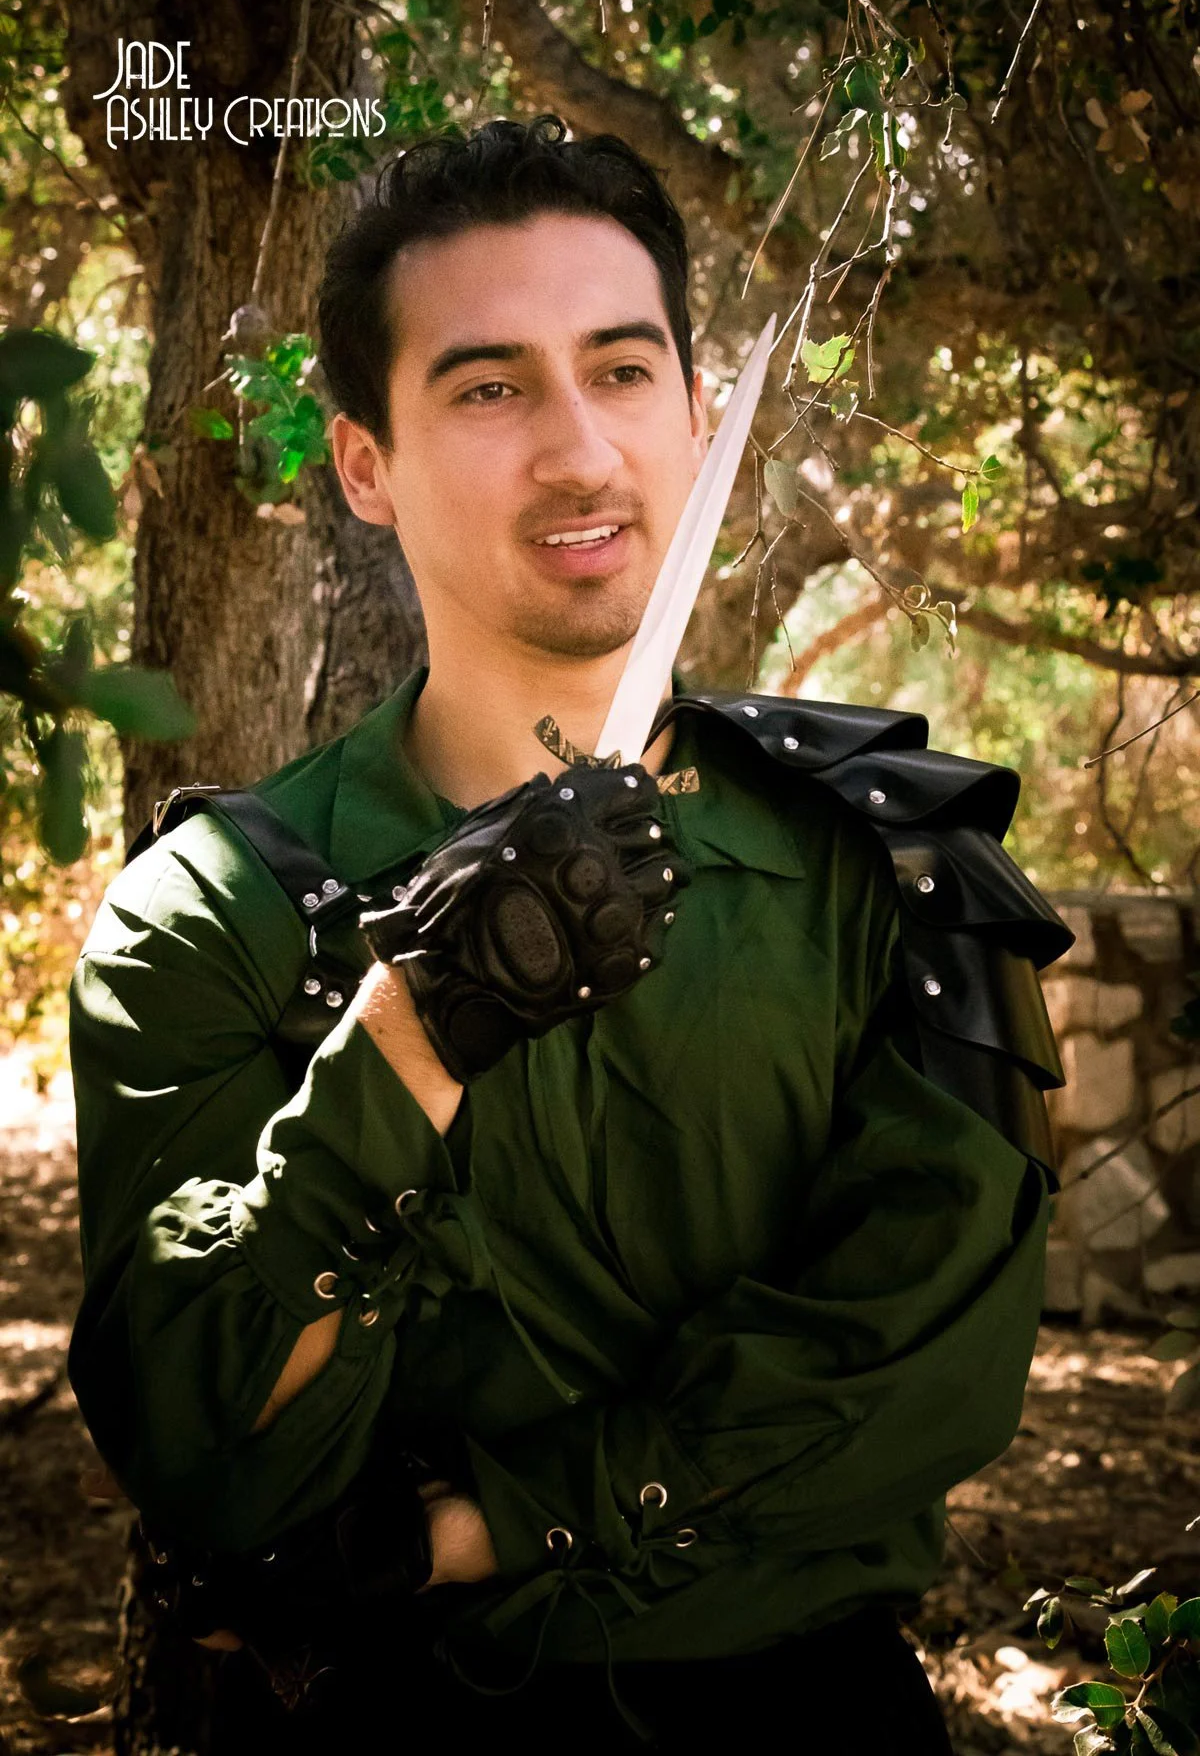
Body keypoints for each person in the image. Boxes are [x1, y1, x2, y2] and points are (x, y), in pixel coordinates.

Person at [68, 116, 1070, 1754]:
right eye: (488, 387)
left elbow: (924, 1373)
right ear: (365, 465)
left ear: (692, 410)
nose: (580, 452)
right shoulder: (212, 916)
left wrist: (475, 1528)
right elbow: (205, 1445)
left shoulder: (887, 868)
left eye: (621, 371)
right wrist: (416, 1024)